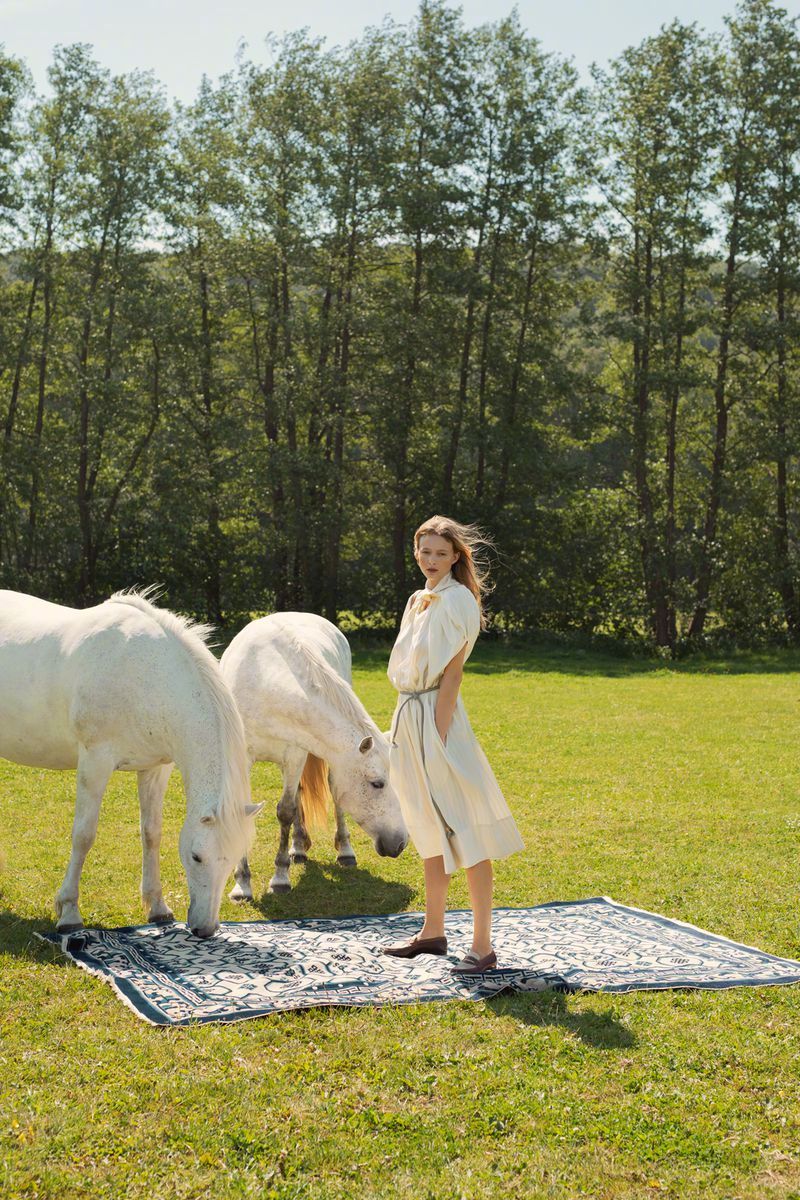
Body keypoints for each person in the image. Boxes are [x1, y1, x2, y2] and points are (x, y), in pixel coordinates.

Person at [382, 515, 524, 974]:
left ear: (456, 556)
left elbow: (453, 672)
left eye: (441, 553)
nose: (431, 560)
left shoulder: (459, 600)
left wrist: (438, 734)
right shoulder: (418, 599)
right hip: (408, 715)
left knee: (466, 826)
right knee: (427, 825)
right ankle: (433, 931)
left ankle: (482, 946)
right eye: (424, 552)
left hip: (437, 721)